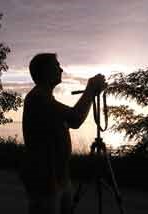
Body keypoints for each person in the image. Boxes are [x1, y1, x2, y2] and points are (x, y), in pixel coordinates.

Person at [20, 53, 107, 214]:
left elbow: (73, 118)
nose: (61, 69)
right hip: (45, 179)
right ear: (45, 71)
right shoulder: (38, 98)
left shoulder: (45, 97)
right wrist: (90, 89)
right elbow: (76, 118)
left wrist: (90, 92)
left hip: (58, 175)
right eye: (57, 65)